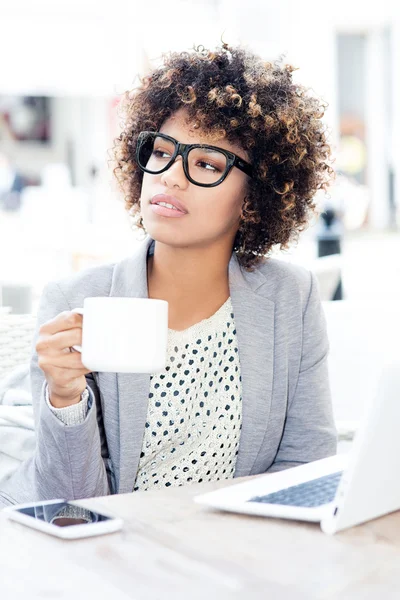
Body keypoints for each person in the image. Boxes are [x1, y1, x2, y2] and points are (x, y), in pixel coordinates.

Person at [0, 43, 337, 507]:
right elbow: (70, 507)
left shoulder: (290, 297)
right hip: (115, 562)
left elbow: (308, 463)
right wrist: (65, 397)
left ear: (253, 196)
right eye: (161, 152)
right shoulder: (76, 299)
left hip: (239, 558)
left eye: (205, 164)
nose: (169, 176)